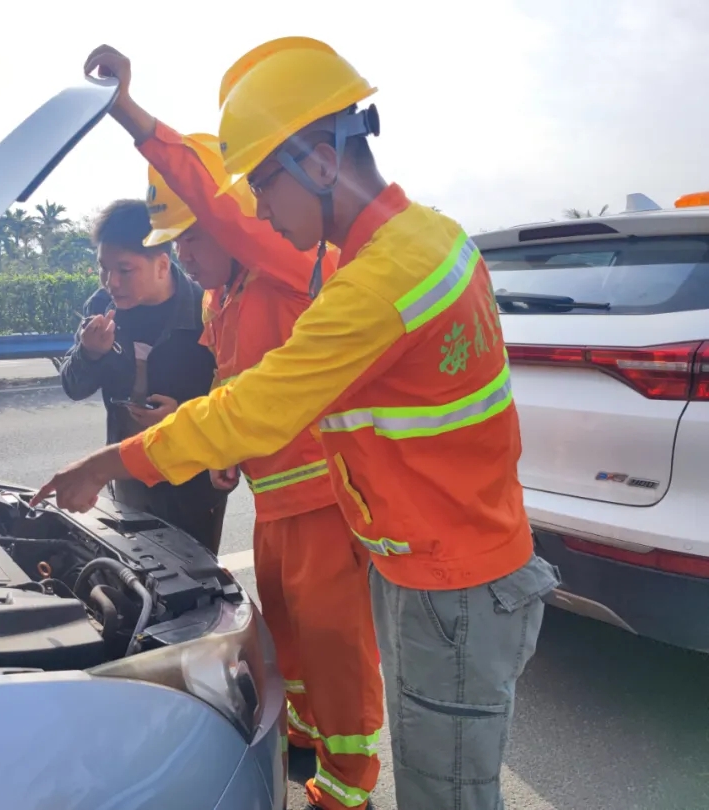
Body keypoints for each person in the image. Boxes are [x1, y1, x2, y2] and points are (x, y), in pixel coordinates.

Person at [38, 37, 560, 810]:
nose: (258, 210)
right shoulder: (425, 239)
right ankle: (328, 769)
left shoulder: (377, 281)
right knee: (421, 761)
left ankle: (344, 786)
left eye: (263, 185)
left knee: (443, 790)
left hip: (450, 577)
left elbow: (252, 404)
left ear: (318, 162)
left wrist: (106, 461)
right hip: (440, 559)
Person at [85, 45, 383, 810]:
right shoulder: (223, 301)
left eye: (192, 238)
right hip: (275, 506)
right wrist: (229, 457)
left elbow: (212, 199)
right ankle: (305, 746)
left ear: (232, 226)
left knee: (335, 646)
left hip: (322, 502)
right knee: (288, 635)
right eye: (175, 243)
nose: (184, 255)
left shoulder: (284, 264)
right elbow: (235, 390)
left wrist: (131, 113)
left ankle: (348, 786)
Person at [58, 198, 228, 553]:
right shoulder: (101, 308)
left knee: (193, 576)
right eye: (103, 269)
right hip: (127, 476)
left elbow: (231, 394)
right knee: (132, 572)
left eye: (124, 270)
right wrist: (90, 353)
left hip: (191, 483)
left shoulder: (205, 311)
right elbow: (73, 386)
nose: (111, 282)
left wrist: (182, 414)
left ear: (162, 264)